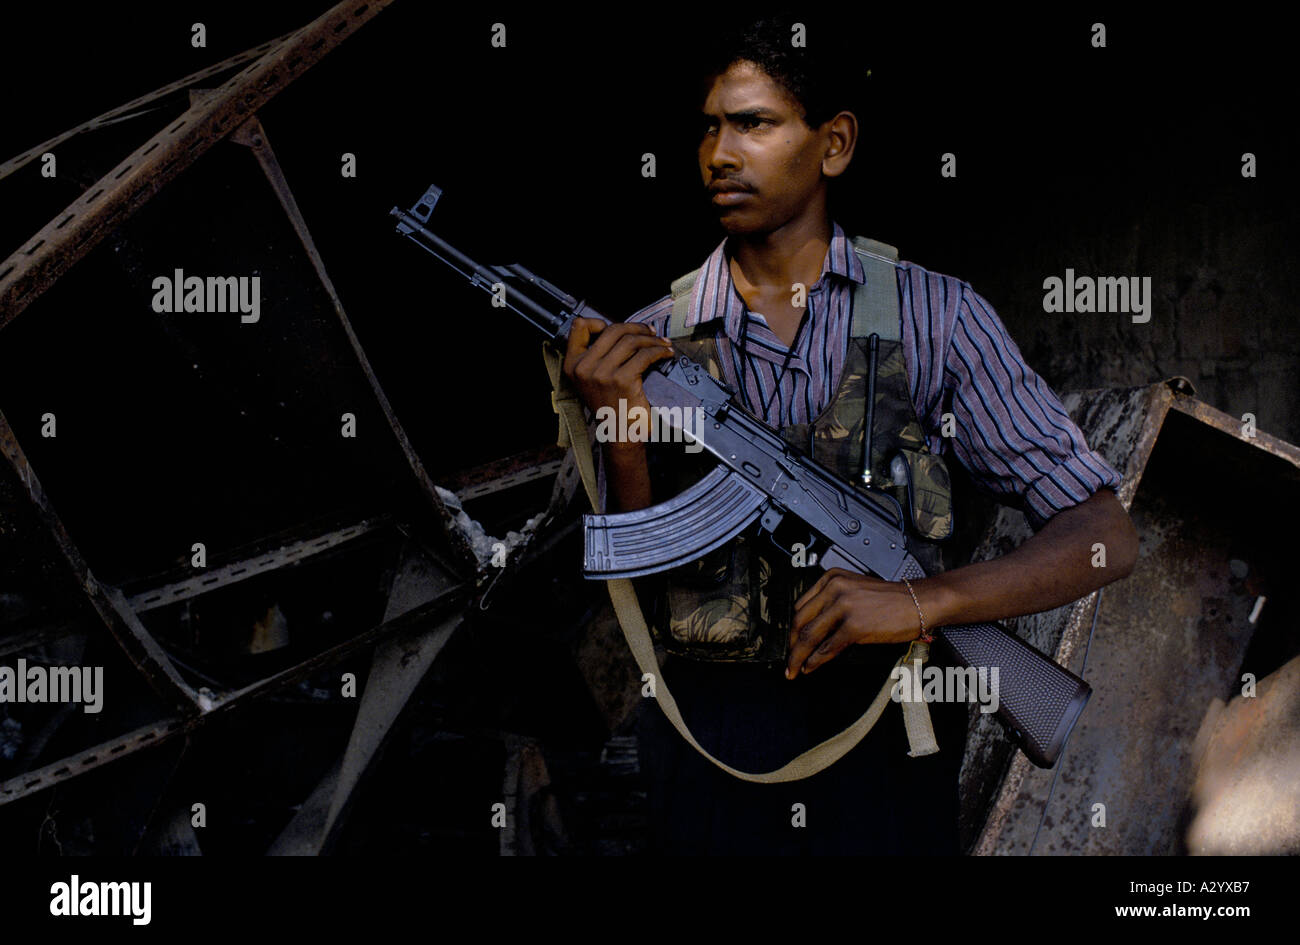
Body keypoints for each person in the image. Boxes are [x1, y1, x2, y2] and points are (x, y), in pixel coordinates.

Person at [561, 17, 1138, 854]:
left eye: (754, 124)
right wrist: (618, 429)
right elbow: (633, 601)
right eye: (710, 126)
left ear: (833, 144)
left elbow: (1105, 537)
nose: (720, 152)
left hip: (885, 755)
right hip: (707, 759)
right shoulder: (649, 340)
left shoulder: (936, 316)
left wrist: (919, 600)